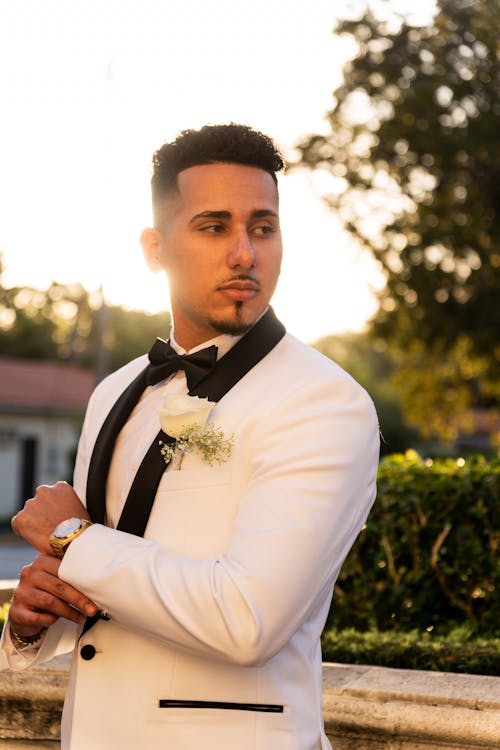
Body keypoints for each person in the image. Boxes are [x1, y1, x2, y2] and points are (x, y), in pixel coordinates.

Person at [1, 123, 379, 749]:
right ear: (155, 249)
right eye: (214, 227)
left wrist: (73, 540)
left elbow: (247, 621)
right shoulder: (114, 391)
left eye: (263, 227)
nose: (245, 254)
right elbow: (106, 582)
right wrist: (37, 617)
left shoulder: (326, 403)